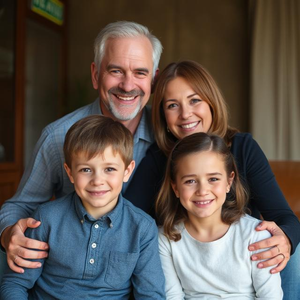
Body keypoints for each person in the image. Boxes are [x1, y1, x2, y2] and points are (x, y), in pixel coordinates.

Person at [124, 60, 300, 299]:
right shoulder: (158, 159)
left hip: (246, 267)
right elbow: (127, 219)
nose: (186, 114)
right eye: (172, 105)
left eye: (195, 100)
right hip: (184, 268)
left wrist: (286, 239)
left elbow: (284, 216)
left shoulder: (243, 147)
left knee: (287, 247)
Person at [0, 21, 163, 275]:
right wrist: (10, 233)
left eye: (140, 73)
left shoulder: (166, 136)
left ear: (154, 79)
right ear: (96, 74)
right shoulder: (58, 137)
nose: (128, 85)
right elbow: (20, 206)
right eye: (116, 71)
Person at [0, 115, 166, 299]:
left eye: (109, 169)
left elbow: (151, 295)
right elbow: (15, 284)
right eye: (86, 169)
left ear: (127, 171)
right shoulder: (46, 219)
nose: (97, 181)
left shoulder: (142, 228)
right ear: (70, 173)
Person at [157, 132, 283, 299]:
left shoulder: (256, 235)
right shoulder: (165, 238)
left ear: (229, 182)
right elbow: (172, 296)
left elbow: (270, 297)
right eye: (190, 181)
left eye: (213, 179)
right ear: (175, 188)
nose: (202, 191)